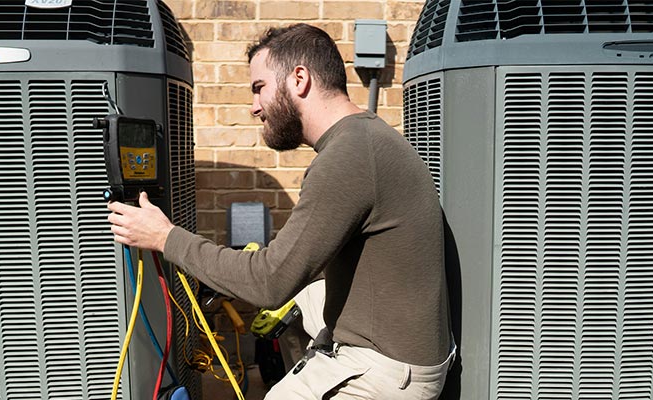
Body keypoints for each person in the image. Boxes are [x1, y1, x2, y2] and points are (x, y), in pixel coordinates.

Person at [107, 23, 455, 399]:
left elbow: (269, 283)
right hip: (400, 335)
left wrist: (165, 237)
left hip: (390, 369)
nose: (254, 107)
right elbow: (293, 269)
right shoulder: (364, 137)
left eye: (260, 88)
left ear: (299, 79)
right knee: (298, 300)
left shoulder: (348, 157)